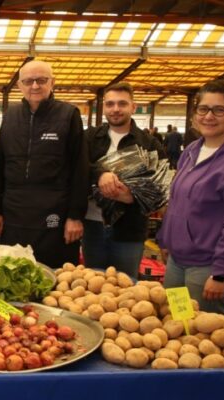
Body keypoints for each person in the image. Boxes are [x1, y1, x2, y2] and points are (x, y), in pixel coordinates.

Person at [158, 80, 224, 314]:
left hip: (209, 266)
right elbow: (177, 201)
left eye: (219, 110)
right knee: (176, 324)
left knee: (199, 335)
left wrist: (221, 272)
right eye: (203, 109)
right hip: (178, 261)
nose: (209, 116)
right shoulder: (192, 150)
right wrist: (166, 239)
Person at [0, 60, 88, 269]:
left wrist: (75, 216)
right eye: (28, 81)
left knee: (54, 278)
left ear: (52, 82)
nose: (35, 86)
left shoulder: (68, 114)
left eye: (41, 80)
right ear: (19, 85)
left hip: (54, 214)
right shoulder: (11, 115)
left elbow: (81, 168)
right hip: (14, 213)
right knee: (12, 273)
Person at [83, 83, 165, 278]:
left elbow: (160, 188)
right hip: (92, 226)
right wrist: (100, 174)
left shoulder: (149, 143)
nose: (116, 109)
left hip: (130, 229)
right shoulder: (90, 137)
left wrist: (132, 197)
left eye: (122, 104)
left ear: (133, 107)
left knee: (126, 287)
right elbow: (78, 168)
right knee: (91, 285)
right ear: (104, 108)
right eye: (110, 104)